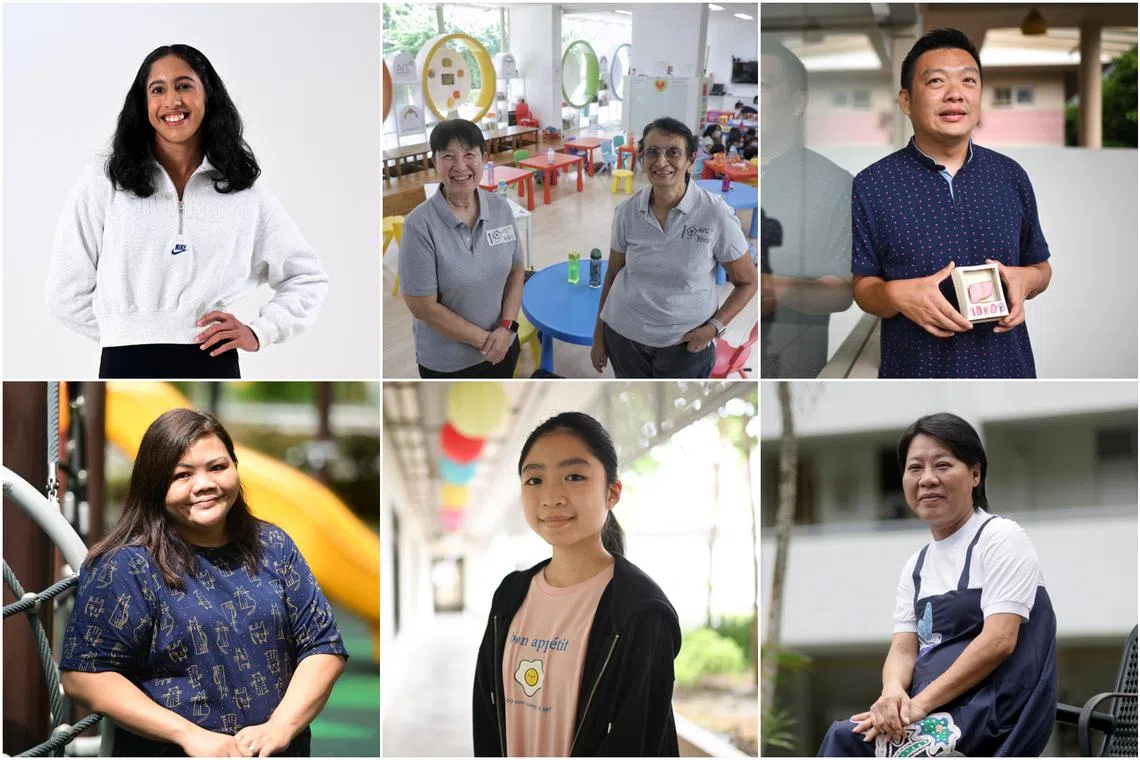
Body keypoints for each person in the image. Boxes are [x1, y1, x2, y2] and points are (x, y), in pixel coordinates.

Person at [59, 409, 348, 757]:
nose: (205, 484)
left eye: (217, 467)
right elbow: (85, 676)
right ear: (155, 484)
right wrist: (189, 735)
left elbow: (322, 644)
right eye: (182, 475)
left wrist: (280, 727)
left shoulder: (274, 545)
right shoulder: (126, 565)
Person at [46, 44, 328, 379]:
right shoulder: (104, 181)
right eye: (158, 90)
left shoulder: (244, 190)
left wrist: (259, 332)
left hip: (212, 358)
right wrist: (126, 332)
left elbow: (308, 277)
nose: (172, 102)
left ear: (207, 95)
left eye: (183, 86)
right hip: (124, 360)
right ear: (144, 103)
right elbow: (64, 293)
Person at [818, 413, 1057, 757]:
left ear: (975, 474)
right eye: (915, 468)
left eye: (942, 465)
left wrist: (917, 706)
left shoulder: (1001, 539)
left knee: (849, 742)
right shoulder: (916, 565)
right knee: (850, 733)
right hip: (931, 711)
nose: (927, 479)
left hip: (992, 715)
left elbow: (999, 640)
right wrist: (892, 693)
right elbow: (903, 649)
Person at [472, 412, 681, 756]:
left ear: (612, 493)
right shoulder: (510, 594)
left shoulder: (638, 609)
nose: (551, 497)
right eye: (534, 480)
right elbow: (487, 715)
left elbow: (639, 739)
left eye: (574, 476)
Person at [851, 28, 1052, 378]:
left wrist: (1027, 281)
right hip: (913, 374)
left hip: (1010, 371)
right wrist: (895, 295)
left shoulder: (1011, 176)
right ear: (906, 100)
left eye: (969, 82)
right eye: (936, 82)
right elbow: (864, 288)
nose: (955, 94)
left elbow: (1042, 268)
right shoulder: (872, 184)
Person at [592, 117, 757, 378]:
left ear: (691, 159)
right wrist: (599, 335)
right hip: (624, 339)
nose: (661, 162)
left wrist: (714, 328)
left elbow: (748, 282)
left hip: (684, 348)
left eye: (673, 152)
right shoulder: (627, 212)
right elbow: (613, 274)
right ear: (641, 158)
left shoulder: (714, 214)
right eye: (652, 152)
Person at [398, 118, 524, 378]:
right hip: (450, 364)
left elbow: (516, 270)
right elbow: (423, 307)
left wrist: (507, 328)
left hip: (504, 347)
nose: (460, 166)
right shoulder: (419, 225)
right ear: (434, 162)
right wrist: (487, 341)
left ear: (483, 158)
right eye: (448, 156)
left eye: (469, 155)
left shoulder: (500, 208)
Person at [759, 39, 854, 377]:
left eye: (765, 85)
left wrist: (777, 289)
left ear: (797, 104)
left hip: (787, 364)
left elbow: (843, 290)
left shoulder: (833, 184)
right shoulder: (718, 176)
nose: (754, 97)